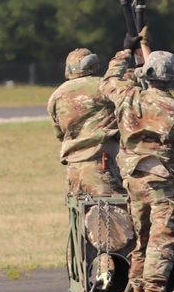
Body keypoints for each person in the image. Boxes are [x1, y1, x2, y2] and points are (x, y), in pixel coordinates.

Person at [100, 36, 174, 292]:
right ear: (173, 77)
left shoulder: (128, 96)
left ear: (147, 74)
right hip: (163, 186)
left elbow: (108, 81)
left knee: (141, 241)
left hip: (133, 180)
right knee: (162, 241)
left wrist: (124, 52)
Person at [47, 48, 122, 197]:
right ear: (92, 64)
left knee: (82, 214)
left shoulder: (56, 95)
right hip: (101, 165)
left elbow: (60, 134)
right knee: (112, 216)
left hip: (74, 169)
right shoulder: (102, 85)